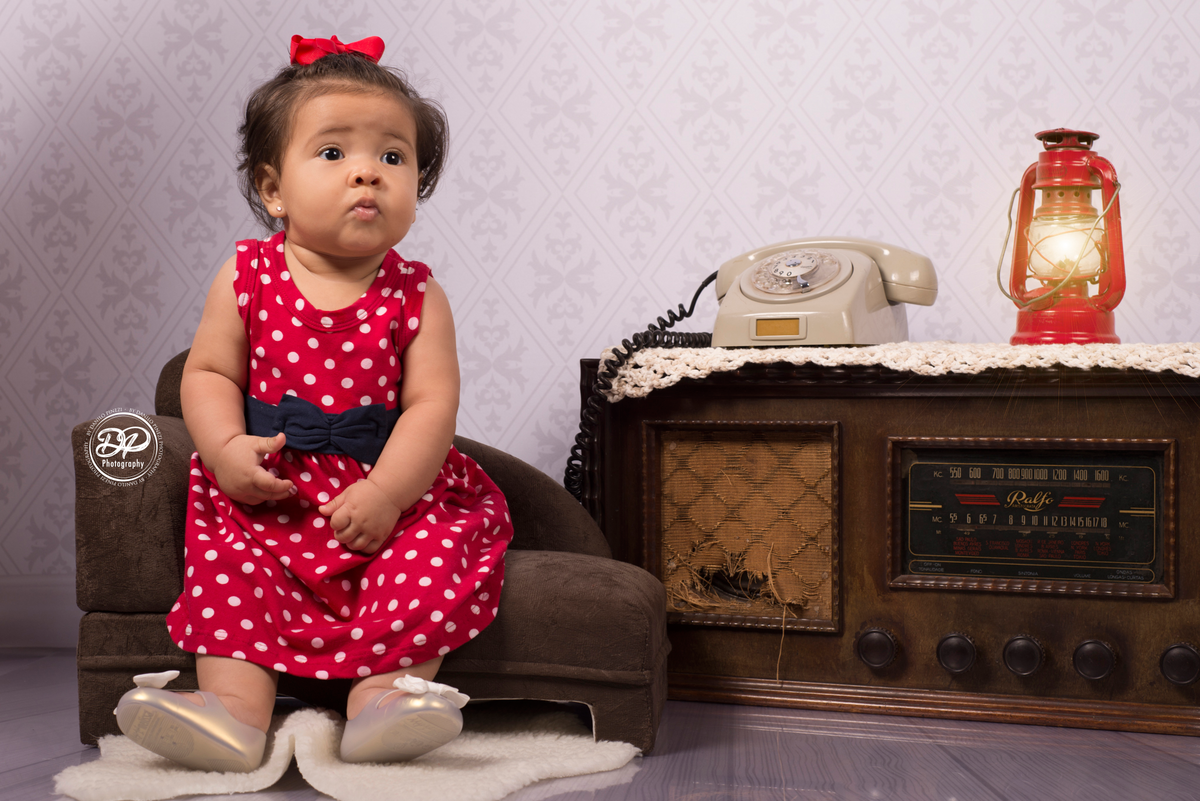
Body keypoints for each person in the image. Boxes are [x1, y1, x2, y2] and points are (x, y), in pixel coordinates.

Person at [113, 34, 513, 772]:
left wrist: (390, 493)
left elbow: (430, 408)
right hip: (271, 492)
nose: (367, 171)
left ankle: (384, 703)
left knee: (424, 559)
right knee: (232, 566)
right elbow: (206, 374)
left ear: (415, 189)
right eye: (333, 154)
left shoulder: (417, 294)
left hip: (380, 491)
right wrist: (227, 450)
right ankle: (230, 713)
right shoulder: (247, 274)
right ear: (273, 189)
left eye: (393, 158)